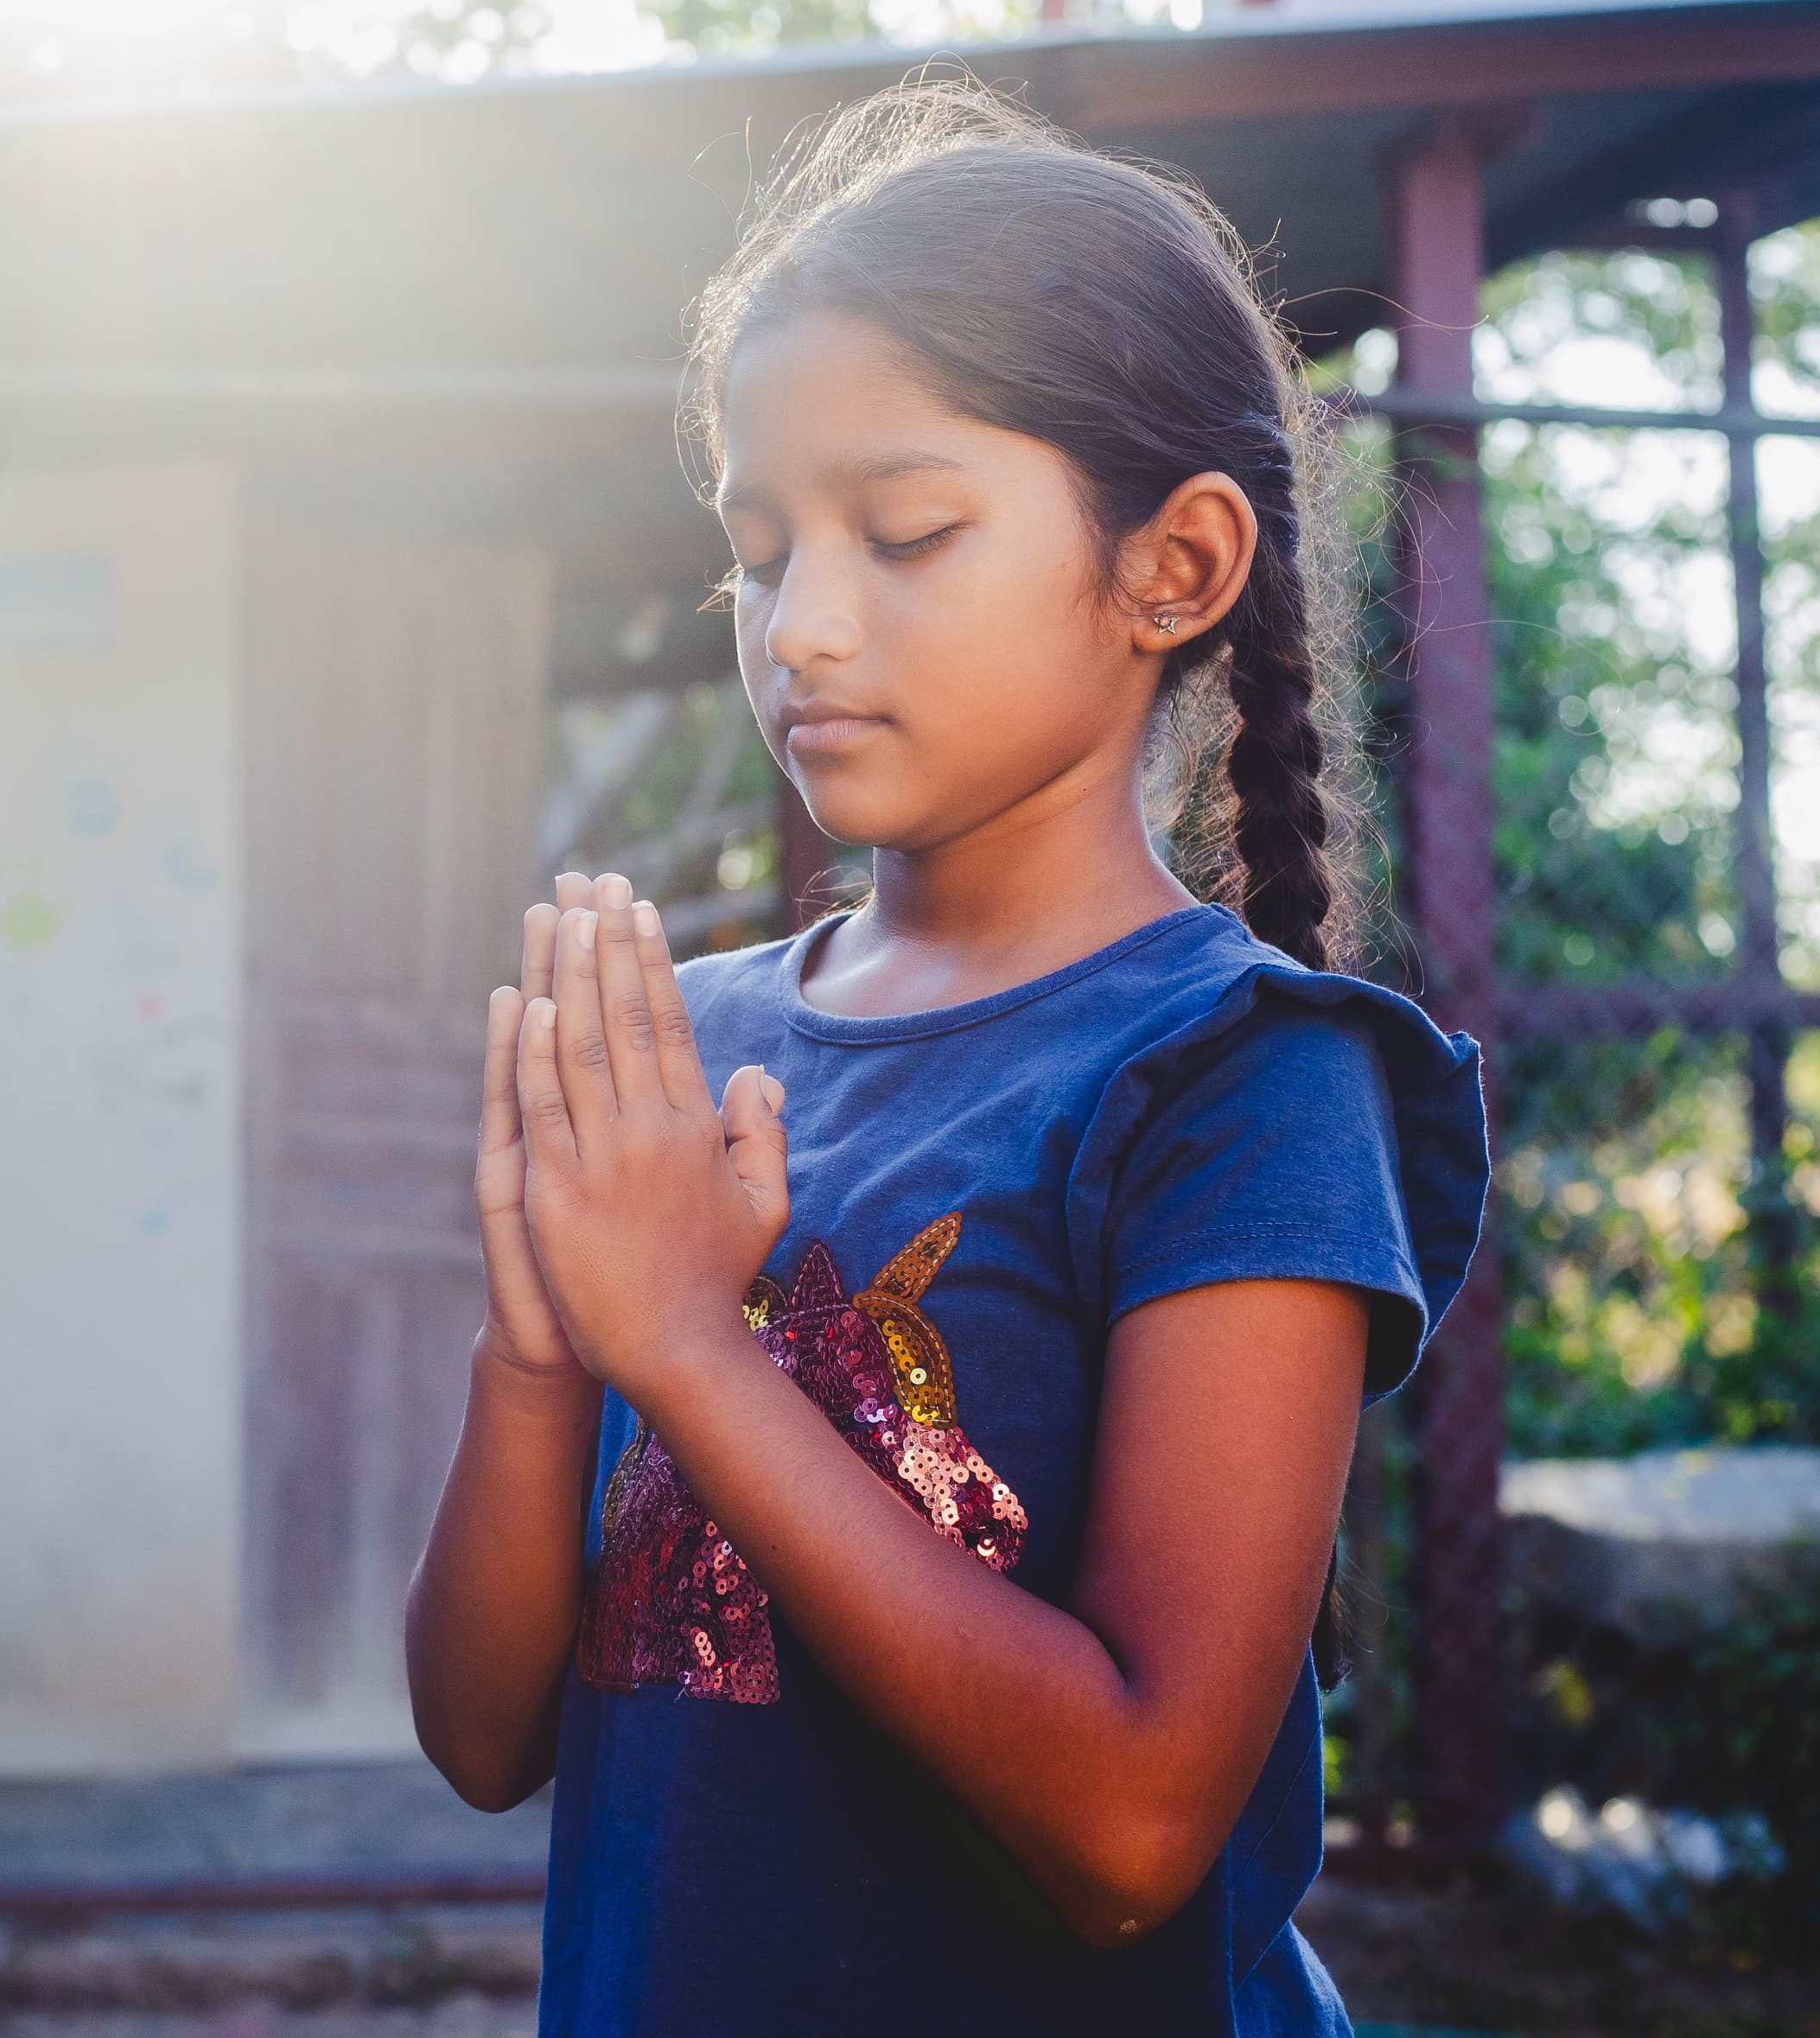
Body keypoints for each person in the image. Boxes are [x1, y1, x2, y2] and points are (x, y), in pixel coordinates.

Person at [402, 80, 1492, 2036]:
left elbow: (1134, 1831)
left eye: (904, 531)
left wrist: (681, 1345)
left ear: (1173, 566)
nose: (802, 627)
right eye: (758, 549)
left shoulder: (1241, 1082)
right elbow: (486, 1741)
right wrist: (543, 1350)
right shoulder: (696, 1053)